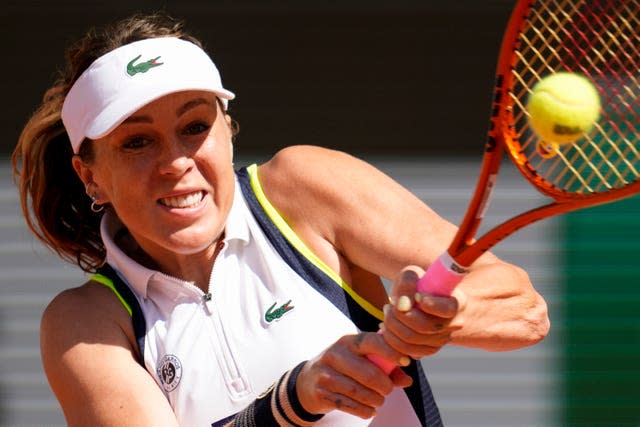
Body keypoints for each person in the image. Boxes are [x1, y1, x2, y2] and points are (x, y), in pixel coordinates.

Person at [12, 13, 549, 427]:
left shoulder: (301, 187)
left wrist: (441, 318)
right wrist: (294, 399)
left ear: (229, 130)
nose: (176, 162)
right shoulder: (82, 324)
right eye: (136, 141)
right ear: (91, 177)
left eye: (195, 126)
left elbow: (524, 311)